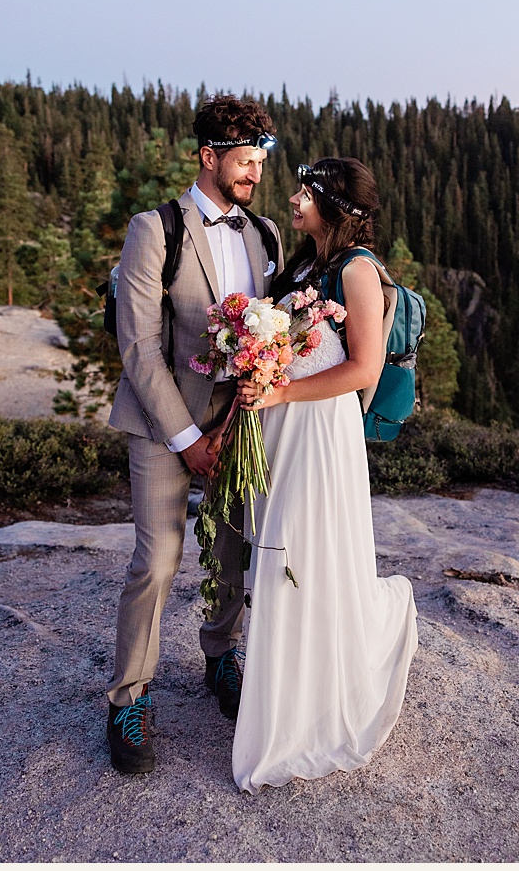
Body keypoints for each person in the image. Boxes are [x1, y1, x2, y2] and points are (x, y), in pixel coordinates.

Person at [102, 96, 284, 776]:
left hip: (239, 425)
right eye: (243, 162)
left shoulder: (264, 232)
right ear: (207, 156)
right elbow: (139, 346)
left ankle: (219, 656)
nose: (253, 176)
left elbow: (272, 330)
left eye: (260, 163)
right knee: (157, 561)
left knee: (234, 550)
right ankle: (128, 696)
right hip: (161, 423)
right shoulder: (155, 229)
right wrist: (185, 438)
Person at [228, 157, 419, 792]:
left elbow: (364, 369)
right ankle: (286, 685)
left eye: (305, 192)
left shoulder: (357, 270)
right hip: (286, 427)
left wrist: (280, 394)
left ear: (334, 205)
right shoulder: (304, 264)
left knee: (302, 552)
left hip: (319, 431)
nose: (291, 198)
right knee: (283, 553)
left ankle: (308, 710)